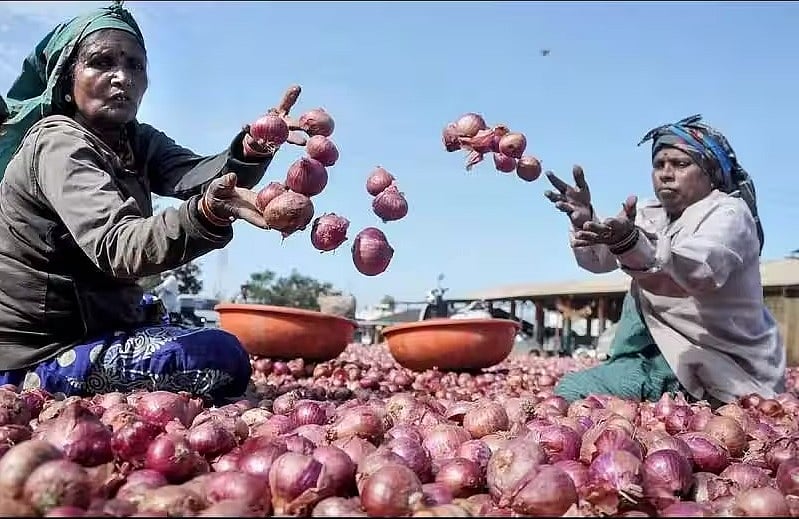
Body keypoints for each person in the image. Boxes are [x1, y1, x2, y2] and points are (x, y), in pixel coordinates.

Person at [0, 4, 309, 401]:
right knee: (220, 355)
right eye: (101, 63)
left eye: (135, 66)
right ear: (67, 79)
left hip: (93, 324)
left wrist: (255, 145)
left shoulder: (135, 139)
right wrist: (206, 214)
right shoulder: (60, 143)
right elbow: (119, 246)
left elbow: (204, 178)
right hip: (41, 348)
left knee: (170, 319)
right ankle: (32, 381)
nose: (122, 78)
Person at [545, 114, 785, 406]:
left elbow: (700, 269)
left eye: (681, 164)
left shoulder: (728, 214)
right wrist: (584, 220)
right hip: (659, 353)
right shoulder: (651, 212)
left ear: (710, 172)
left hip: (713, 361)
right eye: (659, 165)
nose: (666, 173)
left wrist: (630, 242)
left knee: (573, 390)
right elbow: (600, 261)